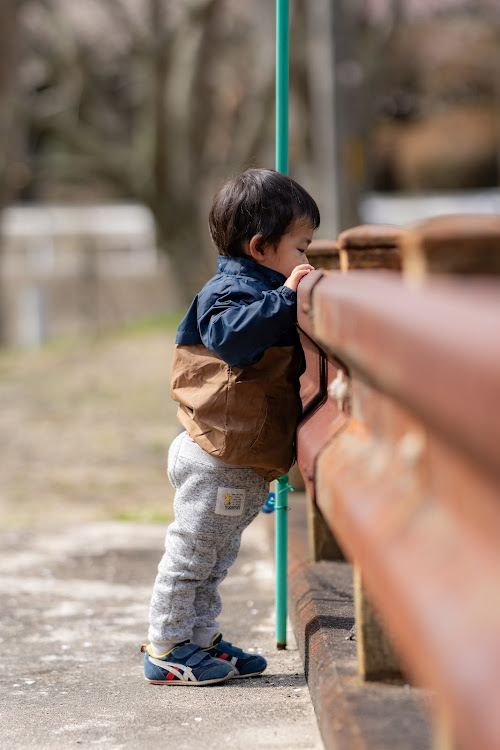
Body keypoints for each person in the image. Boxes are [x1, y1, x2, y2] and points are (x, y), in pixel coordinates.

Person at [142, 167, 320, 685]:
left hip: (234, 464)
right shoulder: (232, 291)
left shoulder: (257, 284)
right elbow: (234, 338)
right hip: (215, 461)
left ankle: (200, 638)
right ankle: (168, 645)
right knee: (192, 555)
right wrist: (289, 296)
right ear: (262, 246)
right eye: (302, 247)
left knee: (214, 560)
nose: (307, 260)